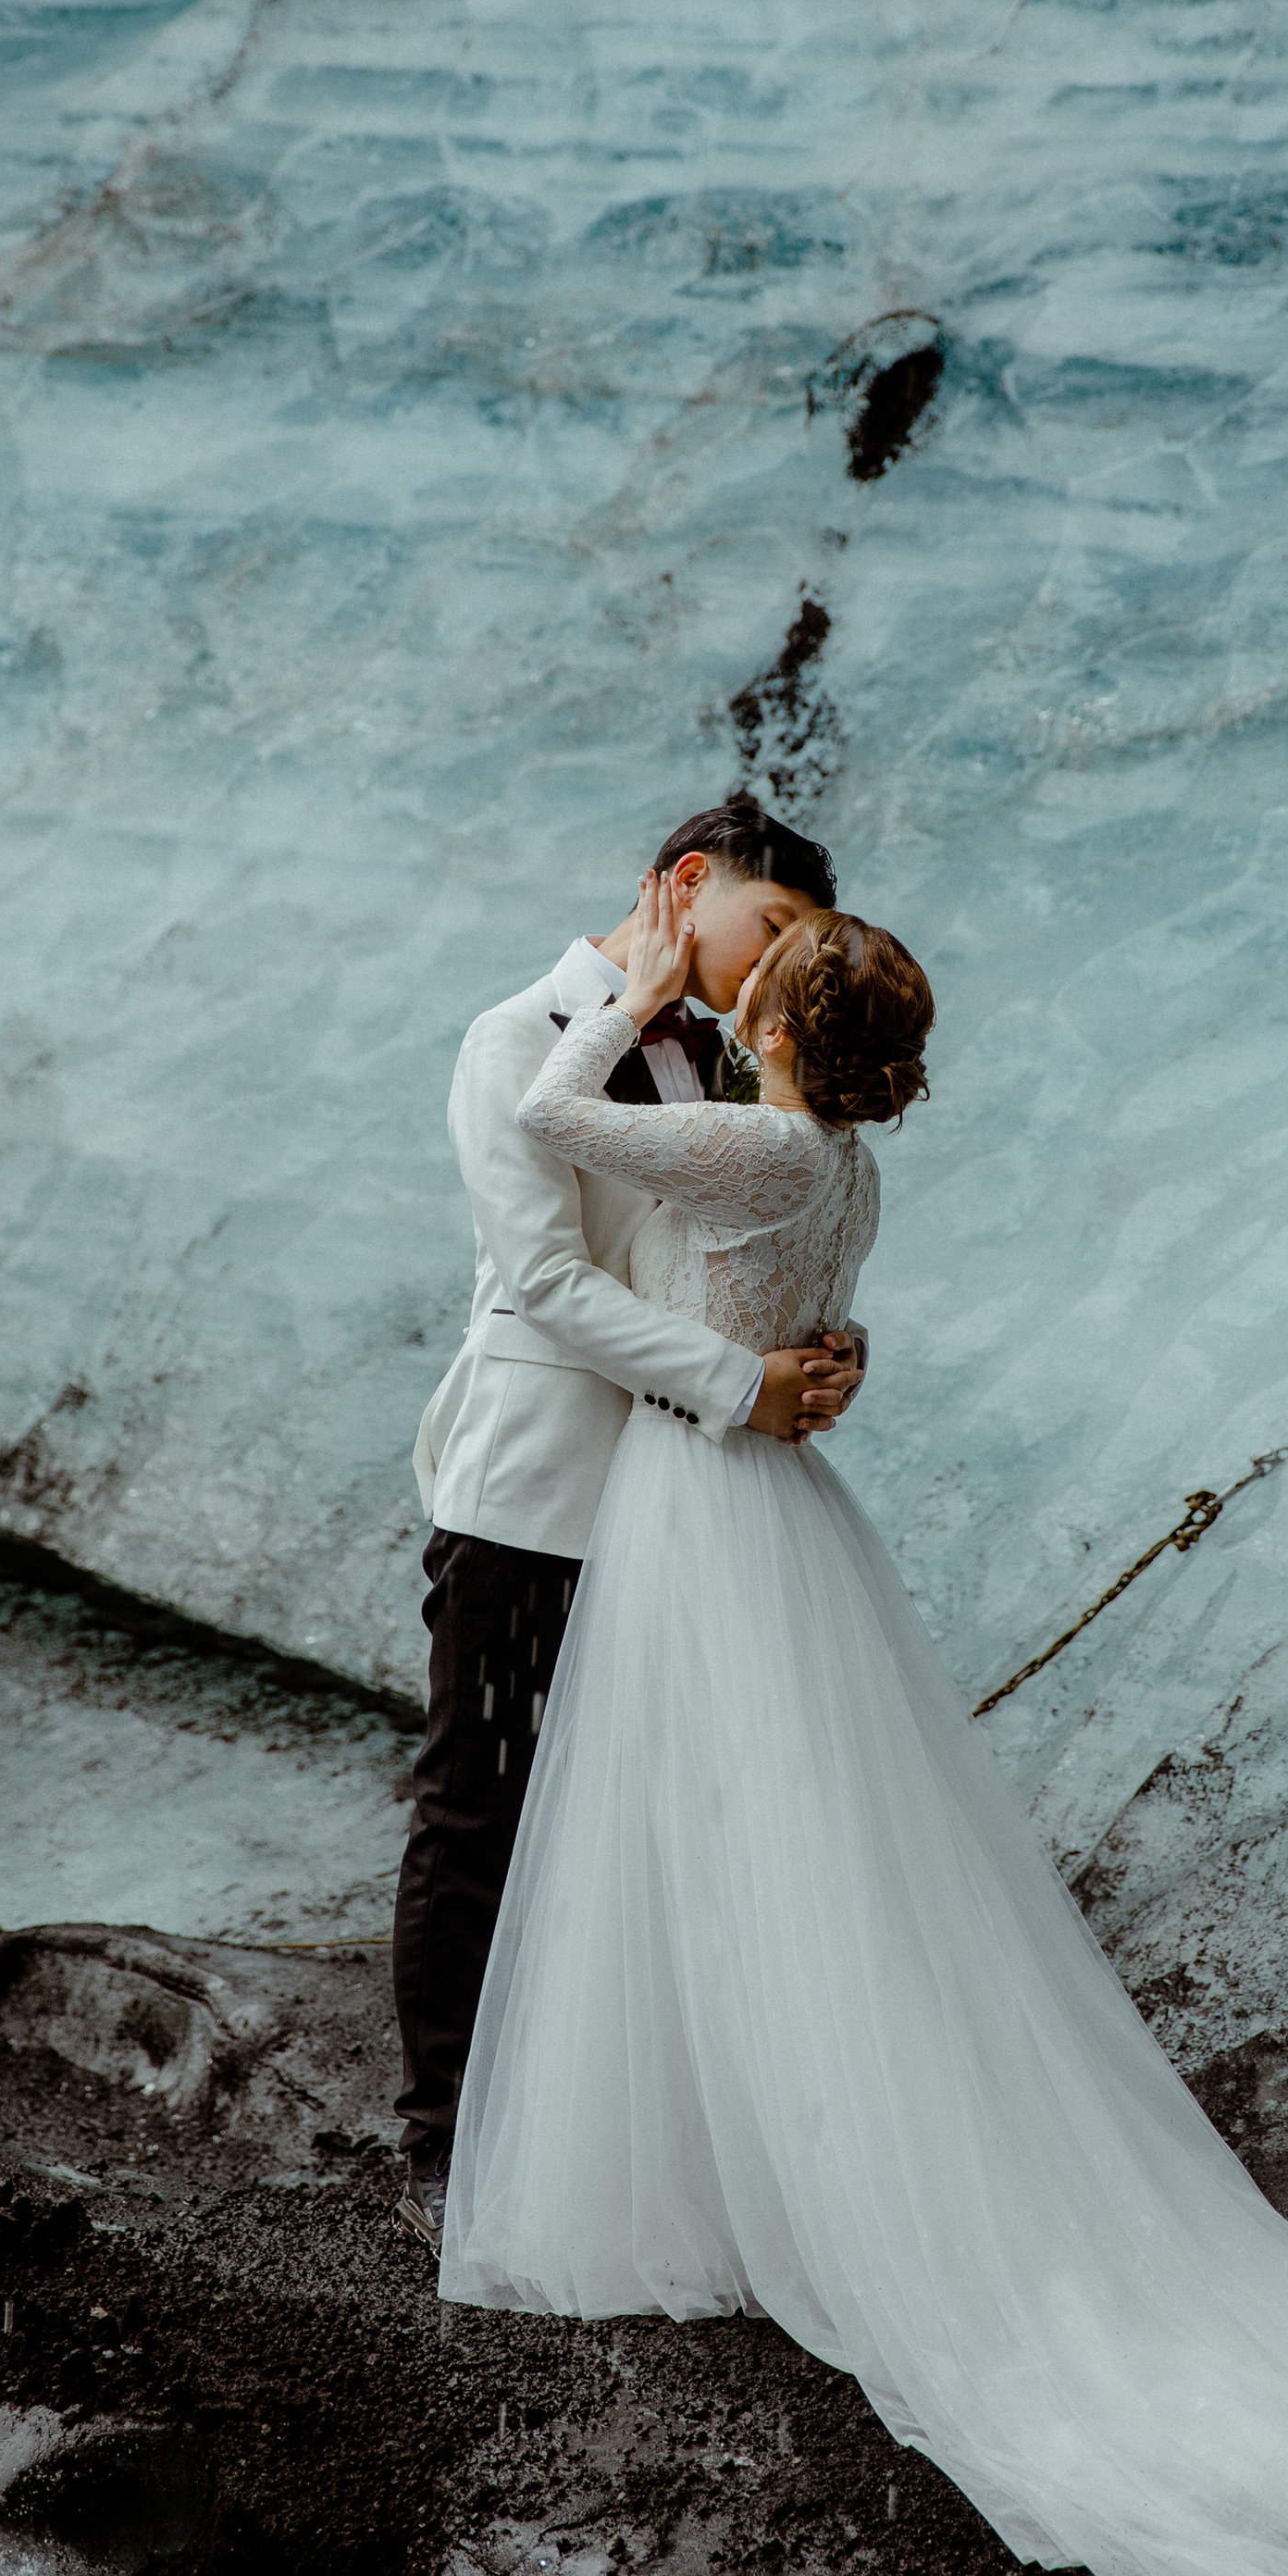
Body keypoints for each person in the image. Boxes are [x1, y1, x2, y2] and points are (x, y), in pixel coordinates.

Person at [437, 877, 1288, 2576]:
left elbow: (557, 1126)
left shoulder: (751, 1139)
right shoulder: (837, 1160)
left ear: (776, 1019)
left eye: (759, 966)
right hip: (743, 1500)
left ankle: (745, 2163)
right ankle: (731, 2138)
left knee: (719, 1831)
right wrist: (792, 1355)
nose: (732, 973)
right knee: (765, 1832)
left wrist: (646, 998)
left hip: (704, 1500)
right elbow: (693, 1274)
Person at [394, 794, 864, 2245]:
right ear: (684, 884)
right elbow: (545, 1282)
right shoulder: (514, 1039)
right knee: (485, 1806)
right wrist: (742, 1386)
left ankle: (630, 2133)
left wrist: (825, 1355)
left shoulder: (720, 1056)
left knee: (661, 1816)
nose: (781, 965)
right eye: (772, 927)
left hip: (688, 1506)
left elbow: (738, 1248)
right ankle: (446, 2148)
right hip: (539, 1488)